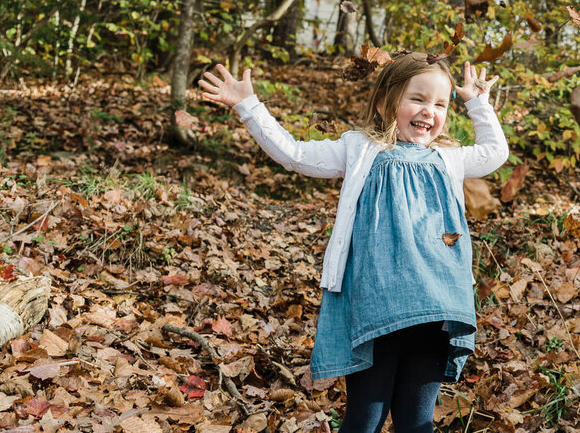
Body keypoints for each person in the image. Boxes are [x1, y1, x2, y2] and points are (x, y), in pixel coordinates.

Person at [198, 54, 508, 433]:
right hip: (375, 307)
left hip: (435, 306)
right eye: (418, 99)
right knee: (365, 418)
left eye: (440, 104)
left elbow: (496, 153)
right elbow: (294, 154)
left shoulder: (449, 157)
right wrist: (249, 106)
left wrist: (477, 102)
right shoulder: (360, 148)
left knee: (417, 421)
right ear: (384, 102)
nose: (429, 111)